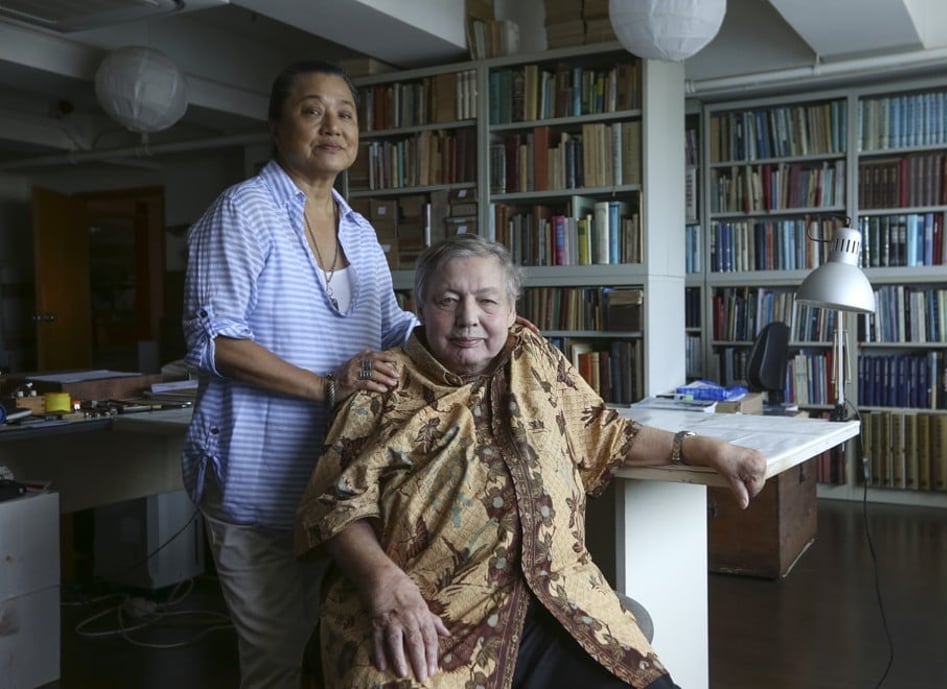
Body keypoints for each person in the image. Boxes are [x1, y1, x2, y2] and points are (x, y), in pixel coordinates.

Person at [295, 233, 767, 689]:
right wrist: (385, 586)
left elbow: (605, 431)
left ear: (513, 311)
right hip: (425, 616)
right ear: (418, 308)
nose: (468, 319)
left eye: (487, 301)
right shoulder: (380, 385)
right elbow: (334, 505)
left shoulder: (533, 361)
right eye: (447, 301)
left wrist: (711, 450)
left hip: (556, 602)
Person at [181, 59, 418, 689]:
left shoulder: (361, 232)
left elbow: (391, 327)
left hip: (337, 486)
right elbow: (217, 342)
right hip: (259, 482)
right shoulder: (244, 212)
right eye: (312, 110)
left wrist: (470, 324)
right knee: (274, 663)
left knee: (333, 650)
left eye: (345, 113)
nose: (332, 125)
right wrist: (326, 388)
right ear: (276, 125)